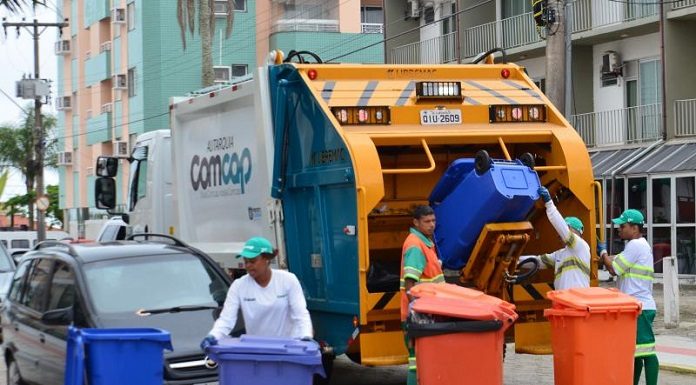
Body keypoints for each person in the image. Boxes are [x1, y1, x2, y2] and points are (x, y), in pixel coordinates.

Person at [200, 236, 313, 350]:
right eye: (245, 261)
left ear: (267, 259)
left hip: (287, 349)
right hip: (257, 350)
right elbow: (227, 319)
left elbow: (300, 314)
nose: (248, 266)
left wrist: (306, 336)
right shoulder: (239, 286)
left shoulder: (288, 280)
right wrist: (213, 336)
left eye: (253, 261)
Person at [598, 209, 658, 385]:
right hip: (637, 306)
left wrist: (602, 253)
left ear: (634, 228)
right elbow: (616, 260)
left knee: (646, 351)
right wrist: (606, 257)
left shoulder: (635, 245)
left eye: (622, 226)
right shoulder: (639, 245)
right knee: (636, 352)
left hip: (640, 307)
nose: (618, 229)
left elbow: (614, 269)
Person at [400, 205, 445, 385]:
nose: (431, 225)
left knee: (421, 363)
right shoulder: (415, 245)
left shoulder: (425, 243)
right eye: (427, 222)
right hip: (419, 314)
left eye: (433, 221)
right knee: (416, 363)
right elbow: (410, 283)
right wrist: (417, 313)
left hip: (427, 312)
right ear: (416, 222)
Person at [526, 186, 591, 290]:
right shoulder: (560, 255)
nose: (559, 234)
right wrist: (513, 262)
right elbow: (536, 261)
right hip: (563, 303)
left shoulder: (581, 246)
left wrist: (549, 203)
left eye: (567, 227)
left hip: (577, 303)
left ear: (576, 231)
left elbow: (562, 229)